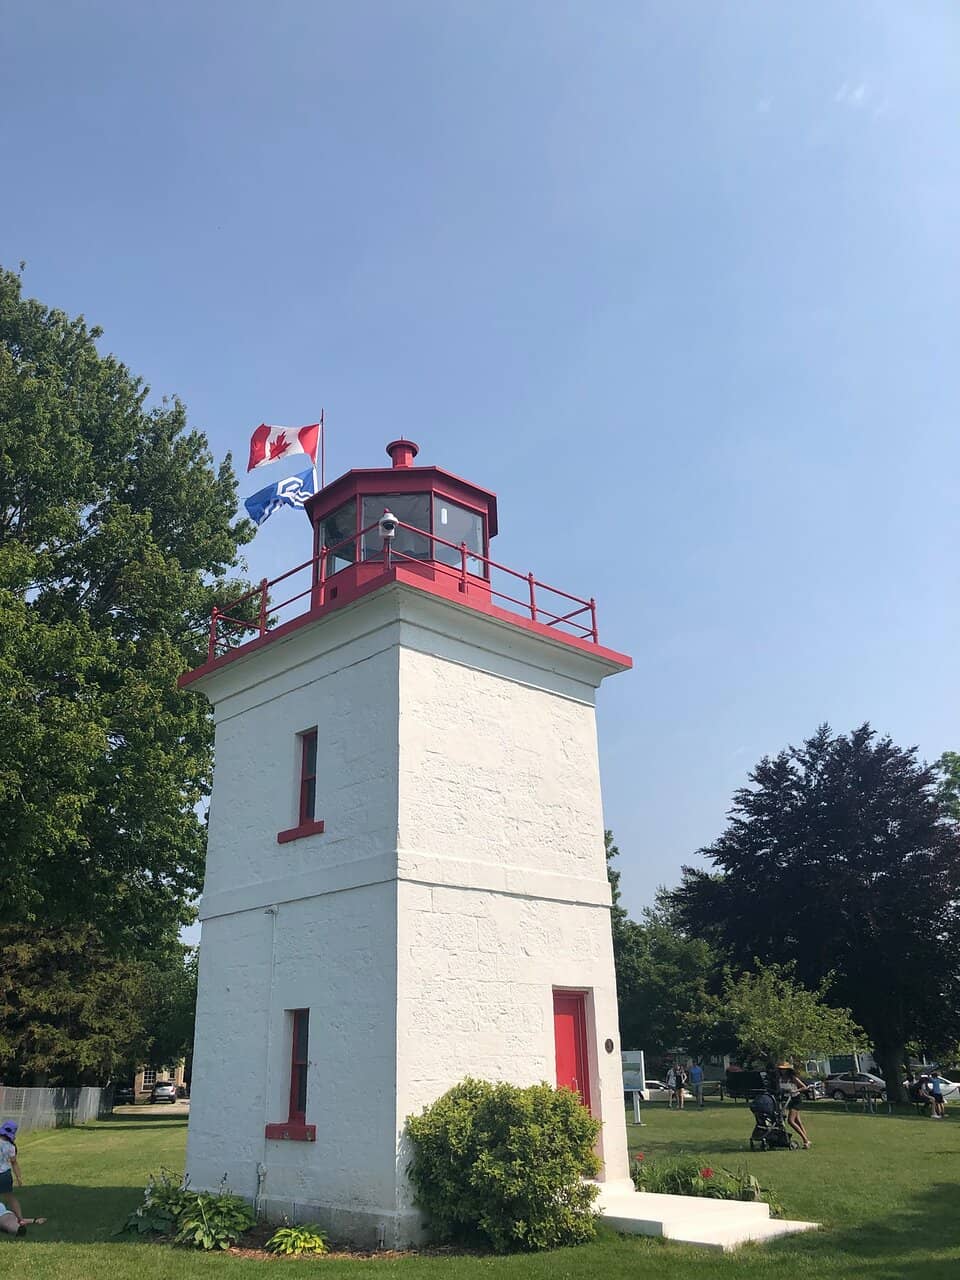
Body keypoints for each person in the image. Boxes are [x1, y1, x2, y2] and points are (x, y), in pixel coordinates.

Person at [777, 1064, 813, 1148]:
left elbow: (804, 1087)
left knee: (791, 1121)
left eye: (784, 1069)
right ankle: (806, 1140)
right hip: (787, 1100)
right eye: (781, 1069)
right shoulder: (780, 1079)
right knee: (798, 1122)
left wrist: (795, 1090)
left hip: (795, 1100)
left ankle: (805, 1140)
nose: (783, 1071)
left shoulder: (793, 1078)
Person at [0, 1121, 24, 1222]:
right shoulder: (11, 1147)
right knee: (10, 1197)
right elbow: (14, 1163)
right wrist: (18, 1177)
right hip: (5, 1175)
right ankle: (20, 1219)